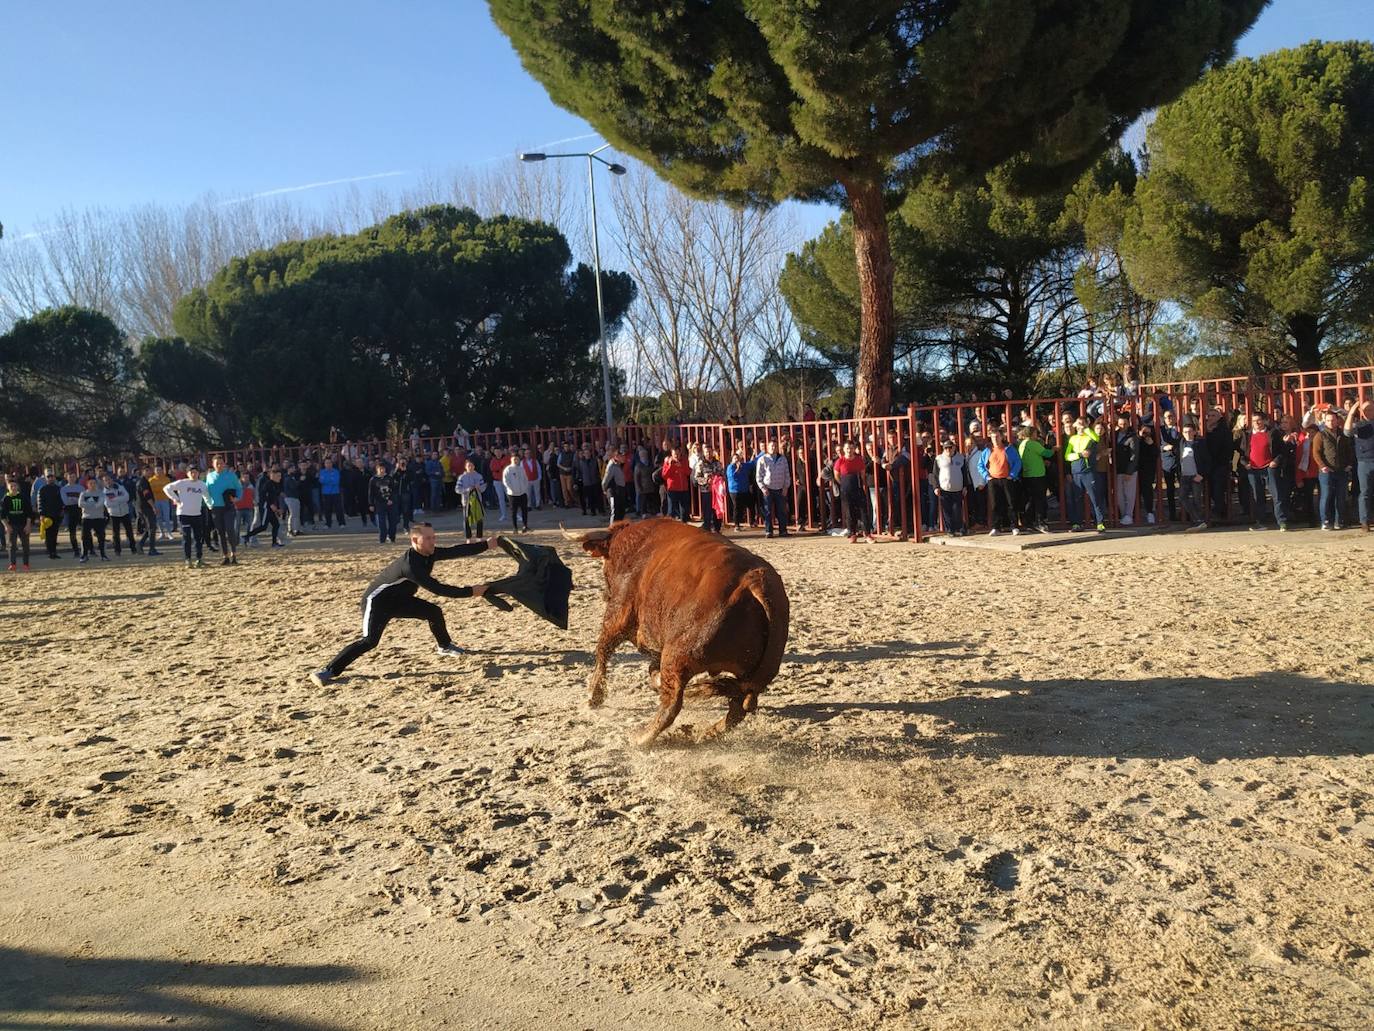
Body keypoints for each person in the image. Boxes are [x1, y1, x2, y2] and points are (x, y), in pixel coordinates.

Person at [310, 525, 500, 686]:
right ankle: (328, 671)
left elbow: (455, 551)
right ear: (415, 541)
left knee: (434, 612)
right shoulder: (410, 566)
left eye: (433, 537)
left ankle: (444, 646)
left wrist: (486, 545)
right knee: (370, 641)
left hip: (401, 600)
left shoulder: (428, 553)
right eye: (427, 538)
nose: (432, 541)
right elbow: (439, 589)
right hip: (378, 603)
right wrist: (472, 591)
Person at [1239, 411, 1289, 531]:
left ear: (1264, 420)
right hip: (1253, 469)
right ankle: (1260, 522)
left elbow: (1282, 451)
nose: (1256, 423)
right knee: (1257, 496)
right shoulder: (1247, 434)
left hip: (1269, 467)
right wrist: (1245, 463)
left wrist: (1276, 461)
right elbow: (1241, 453)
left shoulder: (1273, 433)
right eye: (1254, 420)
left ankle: (1282, 521)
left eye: (1259, 420)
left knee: (1276, 494)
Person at [1313, 407, 1353, 530]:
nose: (1331, 422)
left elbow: (1349, 451)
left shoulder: (1343, 435)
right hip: (1326, 471)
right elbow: (1316, 453)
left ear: (1337, 421)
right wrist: (1323, 466)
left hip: (1341, 470)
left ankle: (1339, 521)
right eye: (1328, 420)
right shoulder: (1320, 435)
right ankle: (1325, 521)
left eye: (1333, 420)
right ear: (1325, 421)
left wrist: (1349, 464)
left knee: (1340, 497)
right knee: (1326, 496)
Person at [977, 428, 1022, 536]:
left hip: (1007, 479)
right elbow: (980, 465)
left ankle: (1014, 526)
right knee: (994, 504)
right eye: (992, 437)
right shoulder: (987, 450)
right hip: (993, 480)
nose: (995, 439)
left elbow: (1017, 462)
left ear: (1002, 437)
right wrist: (986, 476)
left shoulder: (1009, 449)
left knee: (1011, 503)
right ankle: (995, 527)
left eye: (997, 436)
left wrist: (1012, 475)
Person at [164, 466, 211, 567]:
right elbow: (167, 488)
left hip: (197, 514)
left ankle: (199, 559)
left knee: (198, 538)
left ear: (198, 473)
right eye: (191, 472)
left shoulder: (202, 485)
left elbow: (206, 496)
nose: (193, 474)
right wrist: (175, 499)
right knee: (187, 537)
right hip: (184, 513)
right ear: (187, 473)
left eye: (195, 472)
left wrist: (210, 506)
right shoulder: (182, 483)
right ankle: (188, 559)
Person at [1064, 418, 1105, 532]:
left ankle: (1100, 523)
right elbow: (1067, 456)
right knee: (1077, 499)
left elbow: (1096, 438)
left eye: (1083, 424)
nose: (1080, 426)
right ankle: (1077, 523)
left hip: (1089, 471)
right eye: (1079, 424)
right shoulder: (1072, 439)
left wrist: (1086, 428)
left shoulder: (1090, 437)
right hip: (1076, 472)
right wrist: (1080, 454)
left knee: (1094, 498)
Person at [1016, 425, 1054, 534]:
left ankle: (1029, 522)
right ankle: (1039, 522)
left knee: (1030, 500)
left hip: (1027, 474)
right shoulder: (1033, 444)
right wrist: (1053, 449)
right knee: (1040, 499)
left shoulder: (1022, 444)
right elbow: (1047, 453)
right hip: (1037, 474)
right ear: (1032, 434)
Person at [204, 457, 243, 566]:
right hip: (216, 507)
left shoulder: (231, 475)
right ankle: (225, 556)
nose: (219, 465)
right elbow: (206, 492)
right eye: (217, 463)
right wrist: (209, 504)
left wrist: (237, 498)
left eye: (221, 463)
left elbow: (239, 488)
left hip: (228, 506)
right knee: (220, 532)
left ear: (224, 464)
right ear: (213, 464)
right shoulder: (209, 476)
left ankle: (233, 554)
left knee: (230, 529)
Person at [833, 441, 872, 543]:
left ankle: (867, 534)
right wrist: (844, 484)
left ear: (854, 449)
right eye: (847, 448)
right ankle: (852, 534)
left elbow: (862, 474)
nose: (849, 450)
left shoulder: (859, 460)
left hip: (858, 488)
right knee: (849, 513)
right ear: (844, 450)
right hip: (846, 490)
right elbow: (836, 475)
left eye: (851, 448)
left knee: (863, 511)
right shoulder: (840, 461)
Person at [1345, 400, 1374, 533]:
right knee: (1365, 492)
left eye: (1371, 409)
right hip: (1364, 462)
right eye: (1366, 409)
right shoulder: (1359, 425)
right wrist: (1351, 412)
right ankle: (1364, 521)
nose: (1369, 412)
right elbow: (1347, 432)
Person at [1178, 422, 1211, 531]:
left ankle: (1199, 521)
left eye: (1190, 431)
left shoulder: (1200, 443)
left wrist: (1202, 475)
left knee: (1197, 500)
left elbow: (1207, 460)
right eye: (1185, 432)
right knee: (1183, 497)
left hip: (1196, 475)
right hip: (1185, 476)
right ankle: (1197, 520)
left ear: (1195, 432)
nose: (1188, 434)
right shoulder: (1181, 442)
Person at [756, 440, 792, 538]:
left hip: (780, 489)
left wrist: (786, 487)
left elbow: (787, 474)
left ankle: (783, 530)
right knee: (767, 511)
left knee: (781, 511)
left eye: (775, 446)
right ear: (767, 448)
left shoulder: (783, 459)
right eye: (771, 446)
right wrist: (763, 488)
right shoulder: (763, 459)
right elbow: (759, 476)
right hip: (768, 489)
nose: (773, 448)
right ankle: (769, 531)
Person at [244, 467, 286, 547]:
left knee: (276, 524)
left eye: (280, 476)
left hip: (270, 507)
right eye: (278, 476)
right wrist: (270, 505)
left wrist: (277, 508)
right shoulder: (268, 484)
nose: (280, 478)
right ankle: (246, 536)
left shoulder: (276, 485)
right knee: (263, 526)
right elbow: (263, 496)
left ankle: (274, 542)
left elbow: (275, 497)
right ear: (272, 475)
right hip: (265, 507)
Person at [933, 439, 966, 536]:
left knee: (957, 510)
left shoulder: (961, 458)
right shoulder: (939, 459)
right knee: (946, 511)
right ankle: (950, 530)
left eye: (950, 447)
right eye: (946, 448)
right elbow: (935, 474)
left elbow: (964, 473)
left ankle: (958, 528)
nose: (948, 450)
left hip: (958, 488)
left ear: (954, 447)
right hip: (944, 488)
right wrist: (936, 487)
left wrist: (965, 486)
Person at [1112, 412, 1140, 525]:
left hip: (1129, 469)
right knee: (1119, 494)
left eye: (1124, 424)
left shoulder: (1133, 437)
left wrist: (1130, 471)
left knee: (1129, 494)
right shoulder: (1114, 434)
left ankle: (1129, 515)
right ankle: (1124, 515)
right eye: (1120, 424)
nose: (1122, 426)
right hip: (1118, 468)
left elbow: (1134, 455)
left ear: (1128, 424)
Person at [100, 472, 136, 556]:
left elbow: (127, 497)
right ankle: (117, 550)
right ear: (103, 482)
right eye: (106, 480)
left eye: (109, 479)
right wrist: (120, 499)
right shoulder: (104, 492)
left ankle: (133, 548)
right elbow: (108, 504)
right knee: (116, 534)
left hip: (125, 512)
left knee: (129, 532)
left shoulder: (120, 487)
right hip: (113, 514)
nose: (108, 481)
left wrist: (114, 499)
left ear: (112, 479)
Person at [4, 474, 34, 571]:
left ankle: (26, 564)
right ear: (8, 488)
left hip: (23, 524)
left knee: (25, 545)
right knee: (12, 546)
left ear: (18, 487)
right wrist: (6, 526)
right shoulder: (5, 499)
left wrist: (28, 525)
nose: (13, 488)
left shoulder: (23, 497)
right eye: (11, 486)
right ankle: (13, 564)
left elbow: (29, 512)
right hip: (11, 525)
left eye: (15, 486)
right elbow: (2, 515)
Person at [78, 475, 110, 562]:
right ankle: (84, 555)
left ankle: (103, 555)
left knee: (101, 537)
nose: (92, 485)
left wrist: (89, 505)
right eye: (90, 483)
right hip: (86, 518)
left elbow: (100, 504)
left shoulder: (101, 493)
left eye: (94, 483)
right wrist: (92, 505)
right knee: (84, 537)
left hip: (98, 518)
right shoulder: (83, 493)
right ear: (87, 484)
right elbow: (80, 504)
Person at [368, 461, 402, 544]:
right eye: (380, 469)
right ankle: (382, 539)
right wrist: (371, 504)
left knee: (393, 522)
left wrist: (391, 499)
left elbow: (394, 490)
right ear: (377, 469)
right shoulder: (373, 480)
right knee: (381, 522)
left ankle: (392, 537)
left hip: (390, 502)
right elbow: (371, 493)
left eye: (383, 468)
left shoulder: (389, 478)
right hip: (379, 503)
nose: (382, 470)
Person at [694, 444, 724, 533]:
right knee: (707, 511)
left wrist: (718, 478)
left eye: (710, 451)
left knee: (717, 511)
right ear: (704, 452)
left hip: (717, 492)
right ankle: (707, 529)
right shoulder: (701, 463)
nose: (708, 453)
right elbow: (697, 477)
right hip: (706, 491)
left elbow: (723, 474)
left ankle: (717, 529)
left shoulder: (717, 463)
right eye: (707, 452)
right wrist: (706, 480)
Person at [456, 458, 486, 542]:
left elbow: (483, 487)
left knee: (479, 518)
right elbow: (457, 489)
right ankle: (468, 537)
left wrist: (479, 488)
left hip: (477, 500)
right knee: (466, 519)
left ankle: (479, 536)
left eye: (472, 465)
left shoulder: (479, 476)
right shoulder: (462, 477)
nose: (470, 467)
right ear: (465, 467)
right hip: (466, 501)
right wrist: (467, 490)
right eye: (468, 465)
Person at [502, 451, 532, 532]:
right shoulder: (508, 469)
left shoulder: (521, 469)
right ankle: (515, 528)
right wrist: (511, 489)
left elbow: (525, 479)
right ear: (511, 459)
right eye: (514, 459)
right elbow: (506, 481)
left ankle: (525, 525)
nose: (516, 461)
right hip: (512, 494)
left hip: (522, 493)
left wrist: (524, 488)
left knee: (524, 510)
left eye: (517, 459)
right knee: (513, 512)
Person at [36, 472, 64, 561]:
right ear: (46, 478)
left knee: (55, 534)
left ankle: (54, 552)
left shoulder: (58, 488)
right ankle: (50, 552)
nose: (51, 478)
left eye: (52, 476)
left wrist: (62, 510)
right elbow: (40, 502)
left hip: (57, 514)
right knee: (48, 534)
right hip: (47, 515)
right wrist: (41, 514)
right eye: (49, 477)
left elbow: (61, 501)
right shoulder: (42, 489)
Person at [661, 446, 692, 522]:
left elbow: (688, 472)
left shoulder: (684, 461)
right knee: (671, 510)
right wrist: (671, 466)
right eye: (675, 454)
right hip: (673, 489)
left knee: (684, 511)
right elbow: (664, 476)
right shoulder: (668, 462)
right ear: (672, 454)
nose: (676, 456)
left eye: (678, 454)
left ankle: (684, 524)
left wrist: (681, 466)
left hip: (683, 489)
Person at [59, 473, 84, 557]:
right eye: (70, 477)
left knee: (85, 531)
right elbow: (66, 501)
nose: (72, 478)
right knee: (72, 532)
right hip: (69, 511)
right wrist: (76, 499)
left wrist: (73, 499)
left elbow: (83, 500)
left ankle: (88, 549)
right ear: (67, 478)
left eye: (73, 477)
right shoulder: (63, 489)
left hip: (80, 510)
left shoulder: (81, 488)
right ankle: (76, 550)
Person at [319, 458, 346, 527]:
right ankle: (328, 523)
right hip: (326, 493)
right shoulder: (322, 472)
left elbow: (336, 481)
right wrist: (330, 480)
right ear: (324, 464)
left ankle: (341, 523)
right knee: (327, 509)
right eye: (327, 463)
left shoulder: (336, 471)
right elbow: (321, 481)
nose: (328, 464)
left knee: (339, 509)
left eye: (329, 463)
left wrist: (327, 480)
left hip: (335, 492)